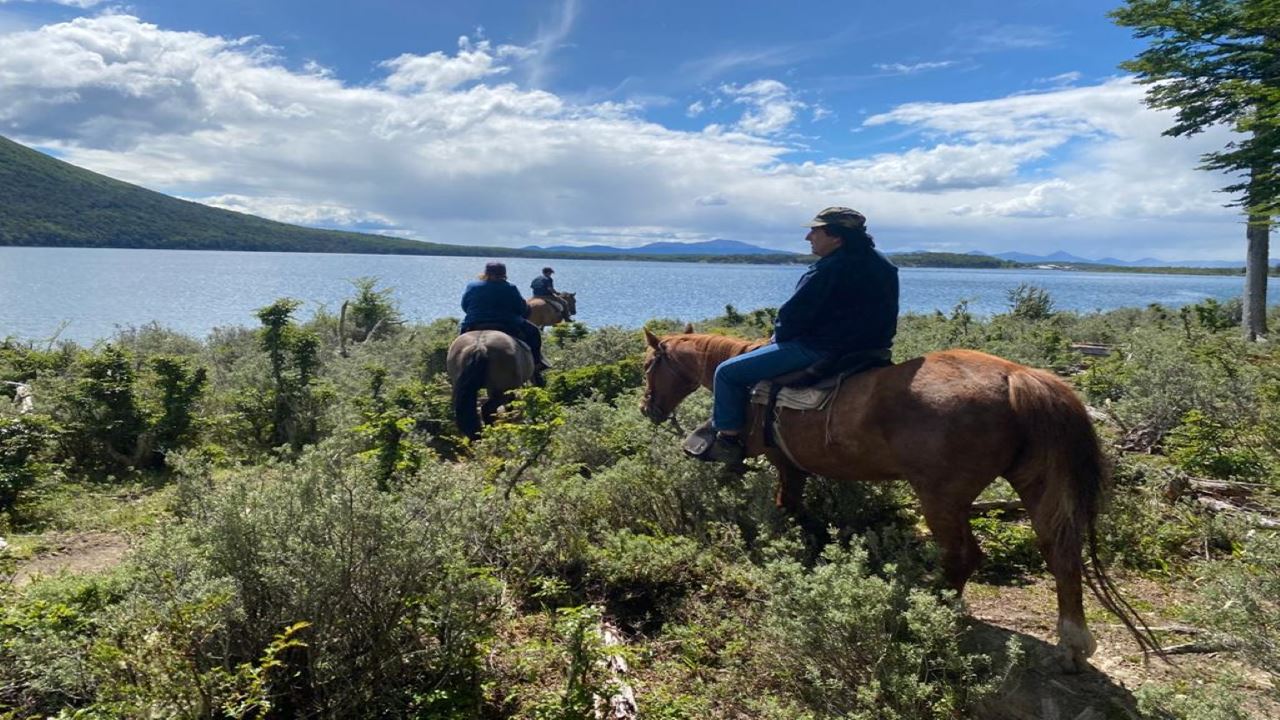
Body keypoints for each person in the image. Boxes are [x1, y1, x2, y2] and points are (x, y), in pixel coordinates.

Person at [691, 207, 899, 463]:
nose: (808, 237)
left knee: (727, 372)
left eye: (815, 231)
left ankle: (728, 440)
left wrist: (777, 338)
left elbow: (792, 317)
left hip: (822, 349)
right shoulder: (883, 264)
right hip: (873, 349)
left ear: (836, 237)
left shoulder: (827, 269)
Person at [460, 262, 551, 378]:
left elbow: (465, 306)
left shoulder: (472, 286)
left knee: (460, 341)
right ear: (504, 274)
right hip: (507, 323)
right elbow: (521, 309)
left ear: (486, 273)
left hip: (474, 323)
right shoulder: (510, 288)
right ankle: (536, 364)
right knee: (534, 332)